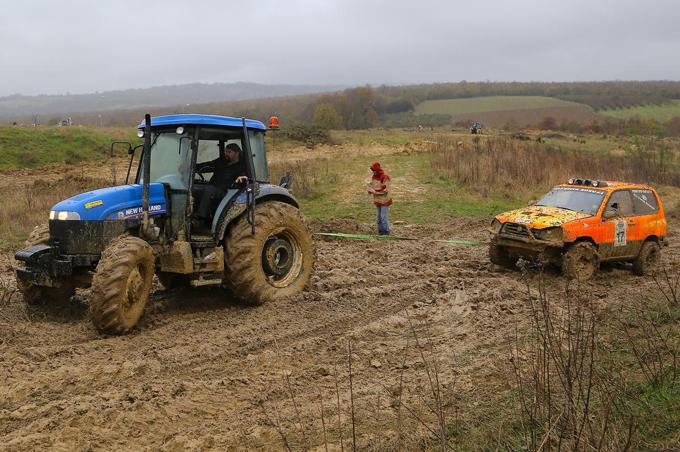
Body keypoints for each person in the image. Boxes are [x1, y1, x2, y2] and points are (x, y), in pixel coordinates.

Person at [195, 142, 248, 224]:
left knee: (210, 189)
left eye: (229, 152)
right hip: (214, 189)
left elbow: (244, 176)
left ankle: (200, 219)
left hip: (227, 193)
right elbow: (209, 165)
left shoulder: (242, 166)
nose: (226, 154)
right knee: (195, 187)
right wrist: (193, 167)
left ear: (237, 153)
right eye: (226, 151)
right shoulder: (222, 162)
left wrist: (241, 178)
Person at [367, 161, 392, 235]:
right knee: (378, 218)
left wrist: (375, 192)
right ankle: (380, 232)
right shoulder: (374, 177)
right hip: (377, 200)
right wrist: (369, 189)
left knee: (383, 218)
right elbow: (372, 186)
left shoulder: (385, 177)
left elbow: (386, 190)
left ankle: (386, 232)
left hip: (384, 201)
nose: (373, 172)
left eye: (374, 170)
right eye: (372, 170)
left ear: (377, 169)